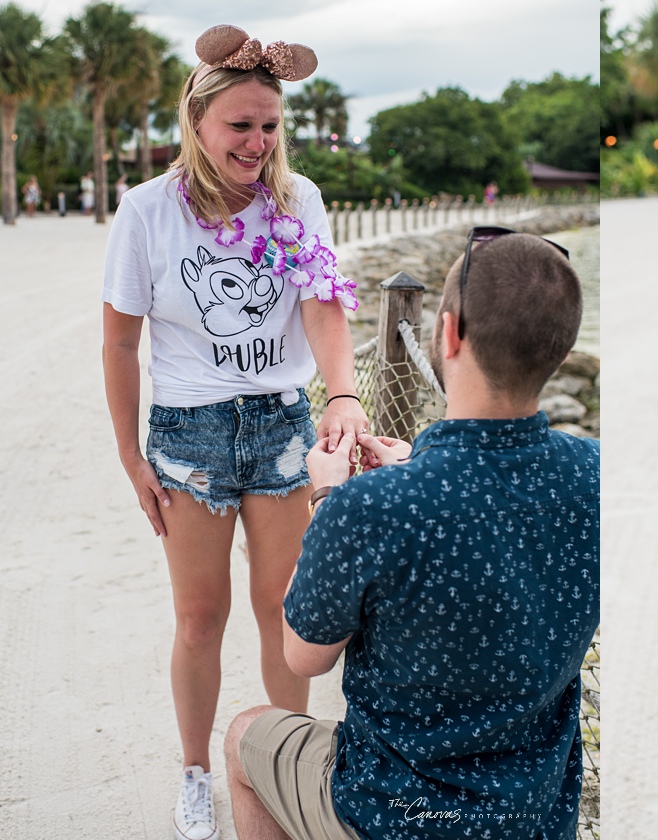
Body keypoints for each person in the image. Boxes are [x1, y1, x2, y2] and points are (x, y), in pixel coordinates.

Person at [223, 228, 600, 840]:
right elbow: (494, 501)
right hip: (533, 816)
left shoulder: (365, 509)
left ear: (448, 333)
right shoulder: (599, 476)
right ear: (559, 349)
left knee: (249, 736)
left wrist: (329, 500)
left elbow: (301, 656)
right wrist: (412, 470)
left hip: (395, 813)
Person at [101, 24, 365, 840]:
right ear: (199, 123)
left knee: (285, 611)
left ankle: (283, 770)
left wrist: (344, 394)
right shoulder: (147, 211)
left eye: (270, 125)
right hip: (188, 436)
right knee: (198, 616)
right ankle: (194, 771)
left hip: (283, 426)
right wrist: (131, 456)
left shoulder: (299, 202)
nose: (257, 142)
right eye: (239, 125)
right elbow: (118, 340)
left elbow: (321, 306)